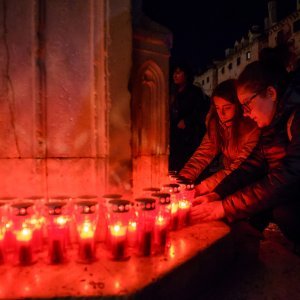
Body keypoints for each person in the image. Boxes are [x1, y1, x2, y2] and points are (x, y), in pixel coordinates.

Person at [191, 52, 300, 253]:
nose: (246, 114)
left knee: (286, 212)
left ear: (271, 93)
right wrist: (217, 194)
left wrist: (224, 207)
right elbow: (252, 165)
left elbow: (288, 178)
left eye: (246, 105)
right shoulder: (273, 125)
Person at [179, 79, 260, 196]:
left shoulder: (252, 127)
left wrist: (201, 188)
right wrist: (182, 180)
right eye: (217, 108)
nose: (221, 114)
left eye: (227, 108)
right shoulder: (216, 125)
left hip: (251, 183)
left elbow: (239, 167)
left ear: (239, 106)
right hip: (228, 181)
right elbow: (203, 154)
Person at [169, 63, 210, 172]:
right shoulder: (172, 92)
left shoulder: (194, 92)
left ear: (186, 74)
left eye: (178, 72)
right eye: (174, 72)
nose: (175, 75)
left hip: (190, 137)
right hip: (175, 137)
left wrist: (187, 121)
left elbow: (201, 112)